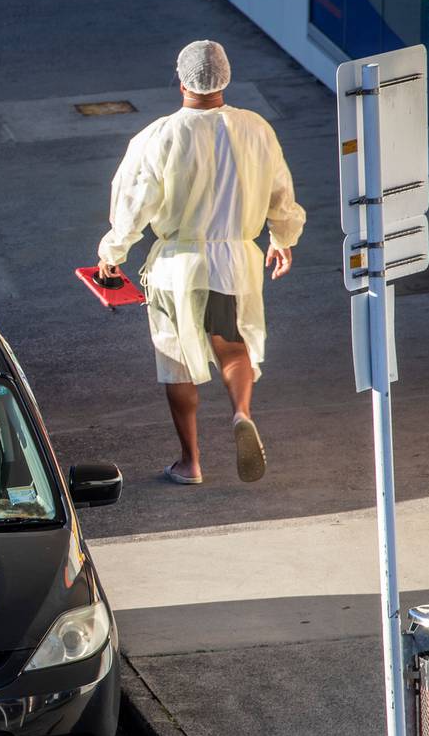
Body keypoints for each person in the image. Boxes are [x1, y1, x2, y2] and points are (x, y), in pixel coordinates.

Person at [95, 40, 306, 485]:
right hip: (235, 260)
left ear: (181, 80)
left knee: (177, 360)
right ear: (226, 78)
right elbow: (280, 191)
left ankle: (190, 462)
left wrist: (111, 255)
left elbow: (134, 205)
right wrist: (282, 238)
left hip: (178, 264)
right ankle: (242, 413)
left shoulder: (158, 135)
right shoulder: (255, 128)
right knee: (231, 346)